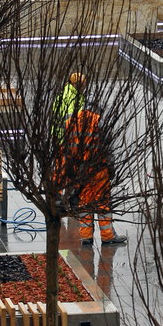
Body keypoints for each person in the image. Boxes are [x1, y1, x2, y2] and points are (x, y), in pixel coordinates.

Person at [65, 105, 126, 247]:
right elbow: (107, 148)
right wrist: (111, 167)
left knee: (84, 202)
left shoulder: (69, 122)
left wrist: (70, 171)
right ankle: (107, 236)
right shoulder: (99, 121)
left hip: (80, 170)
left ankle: (86, 237)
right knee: (103, 202)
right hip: (99, 169)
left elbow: (66, 150)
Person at [52, 72, 85, 144]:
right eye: (81, 84)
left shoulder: (76, 95)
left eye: (84, 84)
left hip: (67, 137)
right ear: (74, 84)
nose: (84, 87)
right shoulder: (68, 97)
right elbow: (69, 118)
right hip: (64, 138)